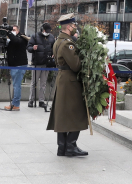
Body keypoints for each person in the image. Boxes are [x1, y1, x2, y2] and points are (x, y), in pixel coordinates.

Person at [46, 14, 88, 157]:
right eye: (74, 25)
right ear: (69, 27)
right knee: (76, 113)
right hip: (70, 81)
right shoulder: (67, 43)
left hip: (64, 79)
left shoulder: (59, 41)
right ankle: (70, 145)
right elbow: (76, 65)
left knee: (63, 114)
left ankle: (62, 147)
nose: (75, 27)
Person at [27, 22, 56, 110]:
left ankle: (41, 101)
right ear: (42, 29)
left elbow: (53, 47)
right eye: (45, 30)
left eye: (47, 31)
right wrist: (33, 48)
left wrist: (53, 53)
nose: (46, 32)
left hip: (46, 63)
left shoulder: (51, 37)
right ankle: (31, 100)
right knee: (34, 83)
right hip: (37, 62)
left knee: (43, 83)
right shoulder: (35, 36)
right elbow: (28, 47)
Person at [4, 25, 29, 111]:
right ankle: (14, 103)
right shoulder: (13, 40)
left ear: (18, 31)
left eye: (14, 30)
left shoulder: (21, 38)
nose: (12, 31)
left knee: (16, 85)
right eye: (11, 30)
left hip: (19, 65)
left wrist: (9, 33)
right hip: (14, 64)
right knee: (15, 85)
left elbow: (16, 41)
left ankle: (16, 104)